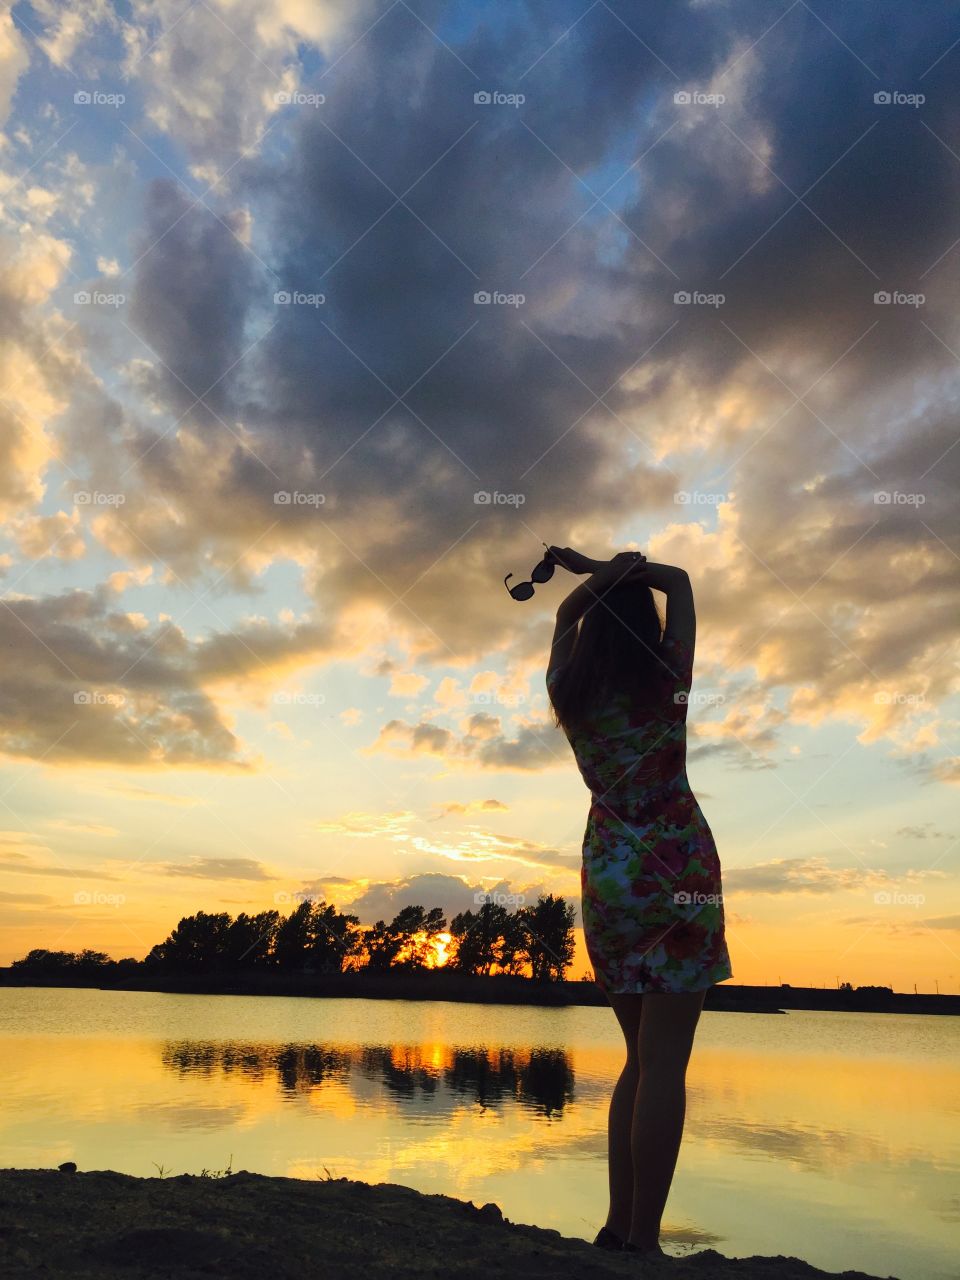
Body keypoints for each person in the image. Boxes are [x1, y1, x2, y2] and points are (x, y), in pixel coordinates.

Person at [545, 546, 732, 1258]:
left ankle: (618, 1228)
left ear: (594, 624)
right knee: (664, 1065)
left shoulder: (570, 688)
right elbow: (681, 579)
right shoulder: (667, 677)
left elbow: (566, 608)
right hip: (677, 869)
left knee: (637, 1060)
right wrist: (618, 565)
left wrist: (595, 572)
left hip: (611, 874)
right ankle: (645, 1242)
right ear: (645, 625)